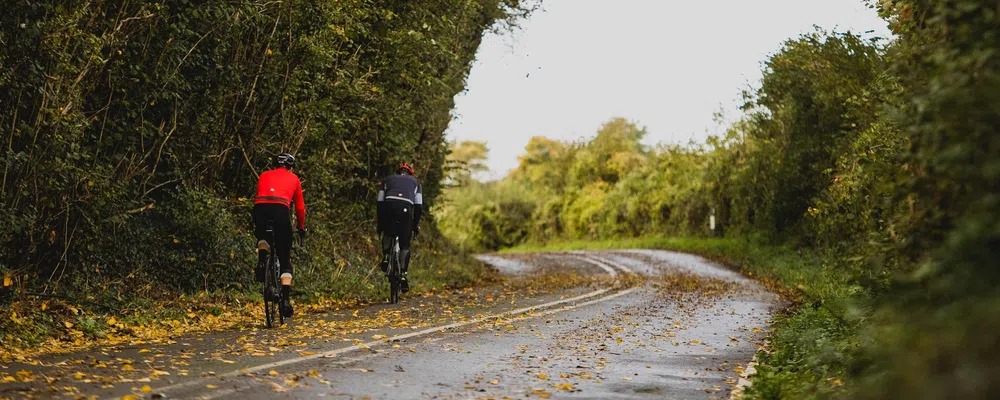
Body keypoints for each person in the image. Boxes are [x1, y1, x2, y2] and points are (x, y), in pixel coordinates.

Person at [254, 153, 306, 318]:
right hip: (281, 210)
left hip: (260, 208)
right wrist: (301, 227)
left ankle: (262, 261)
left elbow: (261, 195)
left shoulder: (264, 175)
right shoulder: (294, 178)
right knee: (285, 258)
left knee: (262, 236)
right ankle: (285, 301)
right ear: (291, 167)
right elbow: (300, 208)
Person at [376, 162, 423, 293]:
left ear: (397, 172)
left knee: (388, 233)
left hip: (389, 206)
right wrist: (415, 225)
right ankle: (403, 275)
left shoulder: (387, 179)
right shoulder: (416, 182)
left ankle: (386, 256)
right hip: (405, 209)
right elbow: (418, 206)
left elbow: (380, 203)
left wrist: (381, 224)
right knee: (405, 245)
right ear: (410, 173)